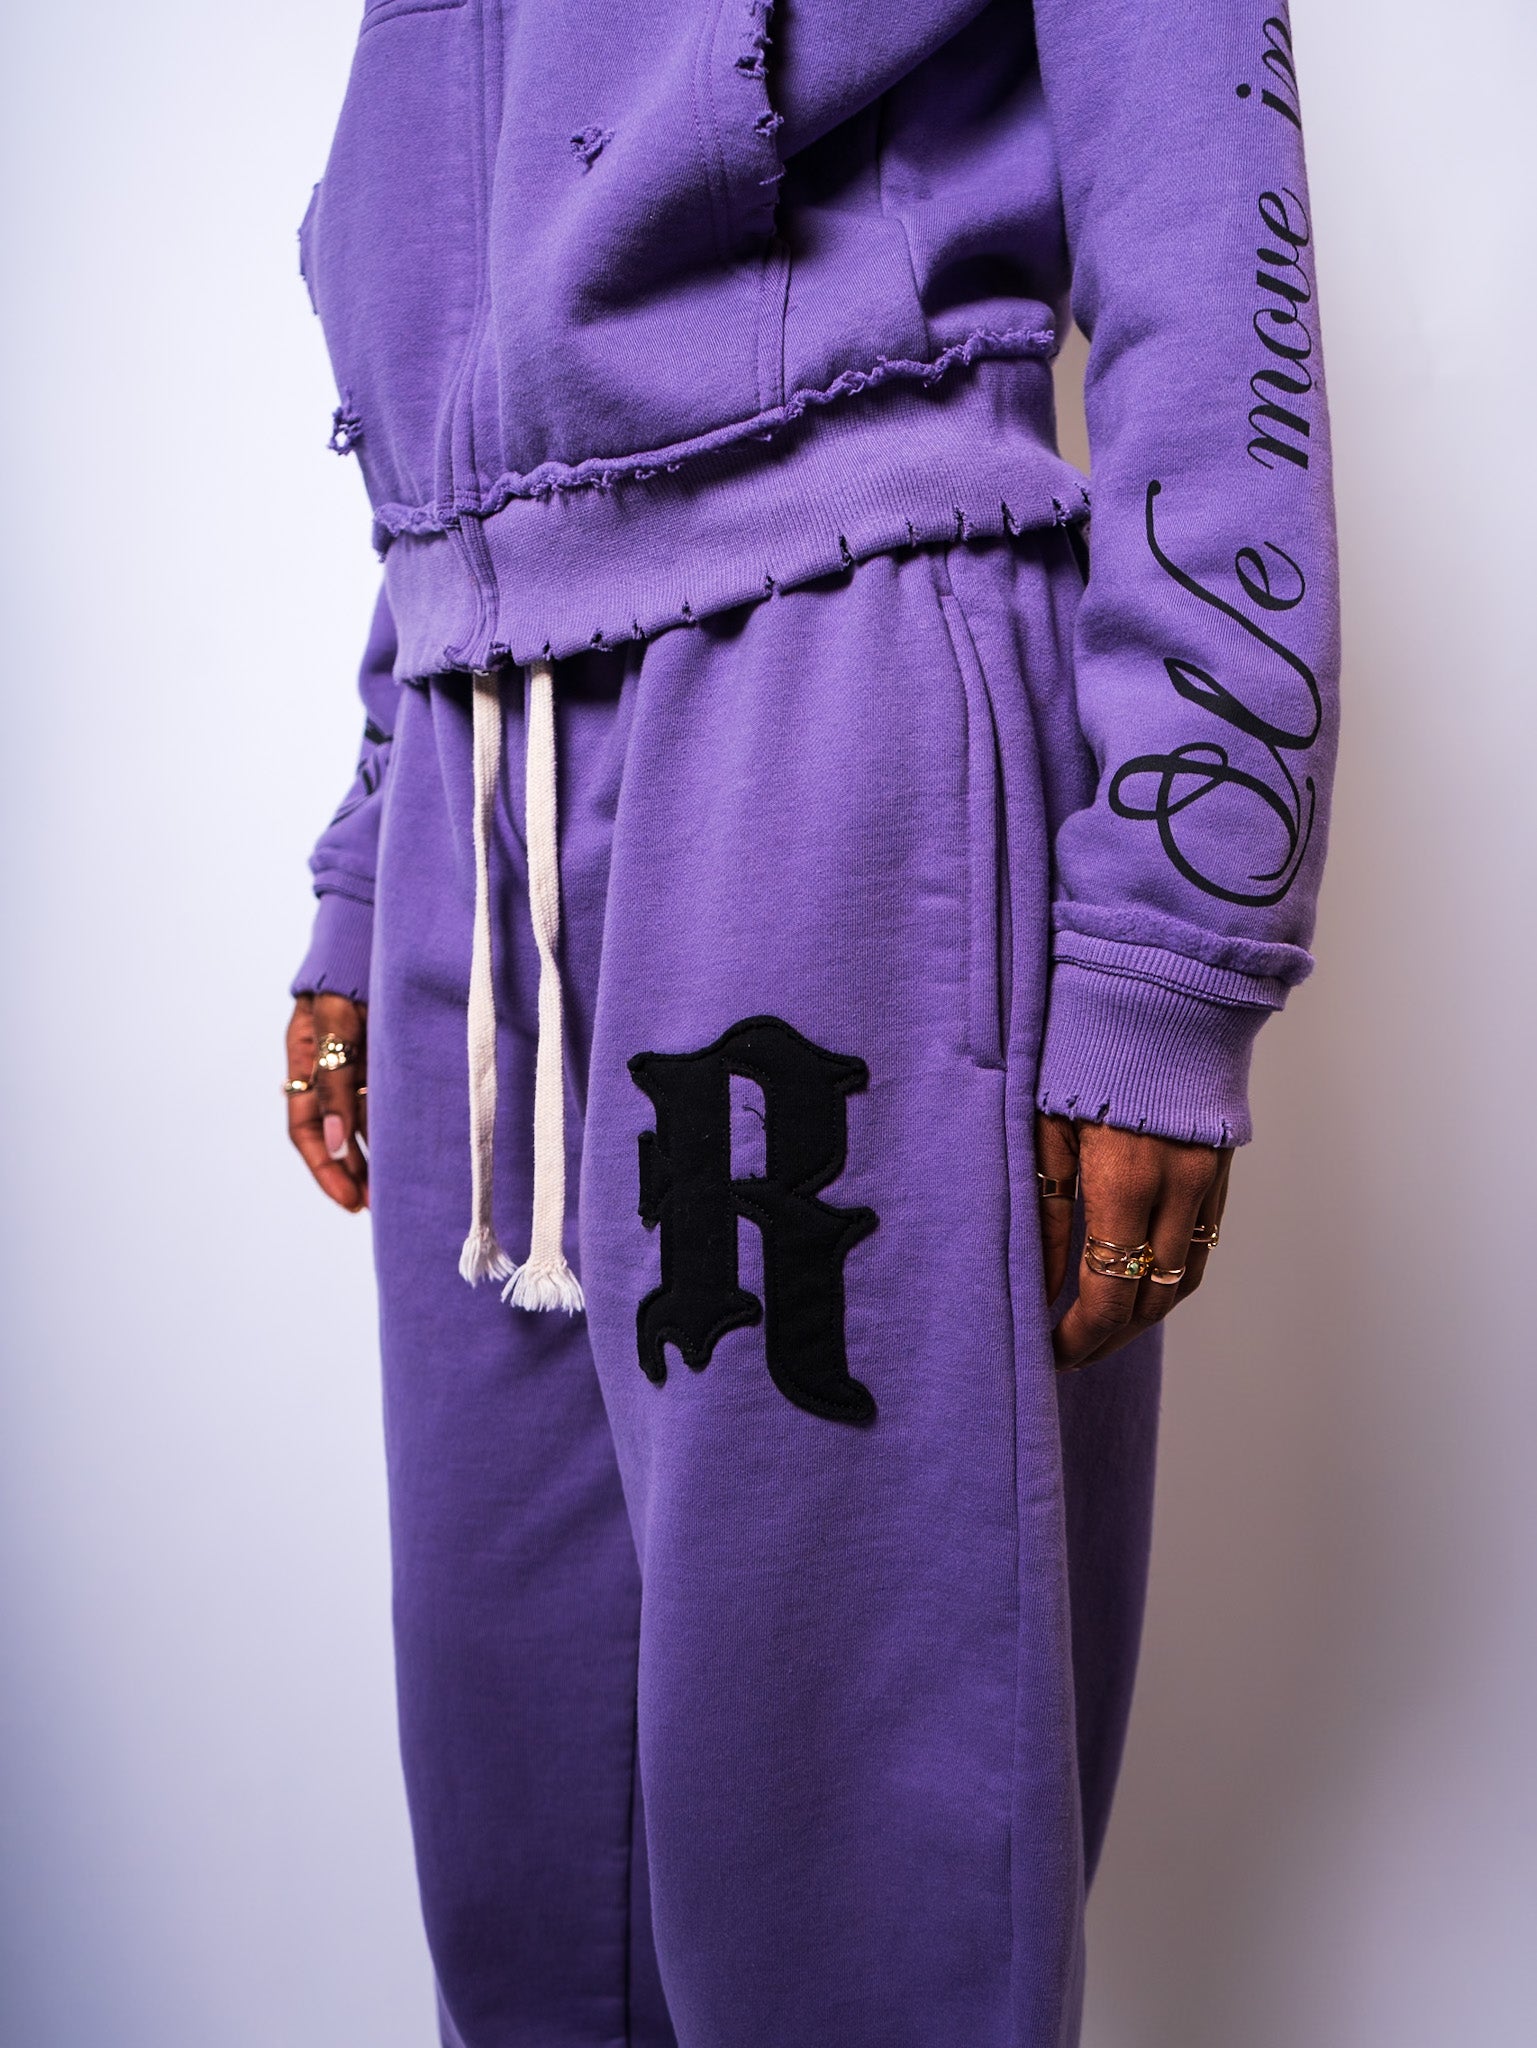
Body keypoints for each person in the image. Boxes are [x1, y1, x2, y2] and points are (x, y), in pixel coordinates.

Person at [283, 3, 1337, 2042]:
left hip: (841, 694)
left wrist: (1180, 912)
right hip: (474, 766)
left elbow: (1210, 249)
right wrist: (373, 824)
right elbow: (471, 326)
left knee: (851, 1859)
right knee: (524, 1827)